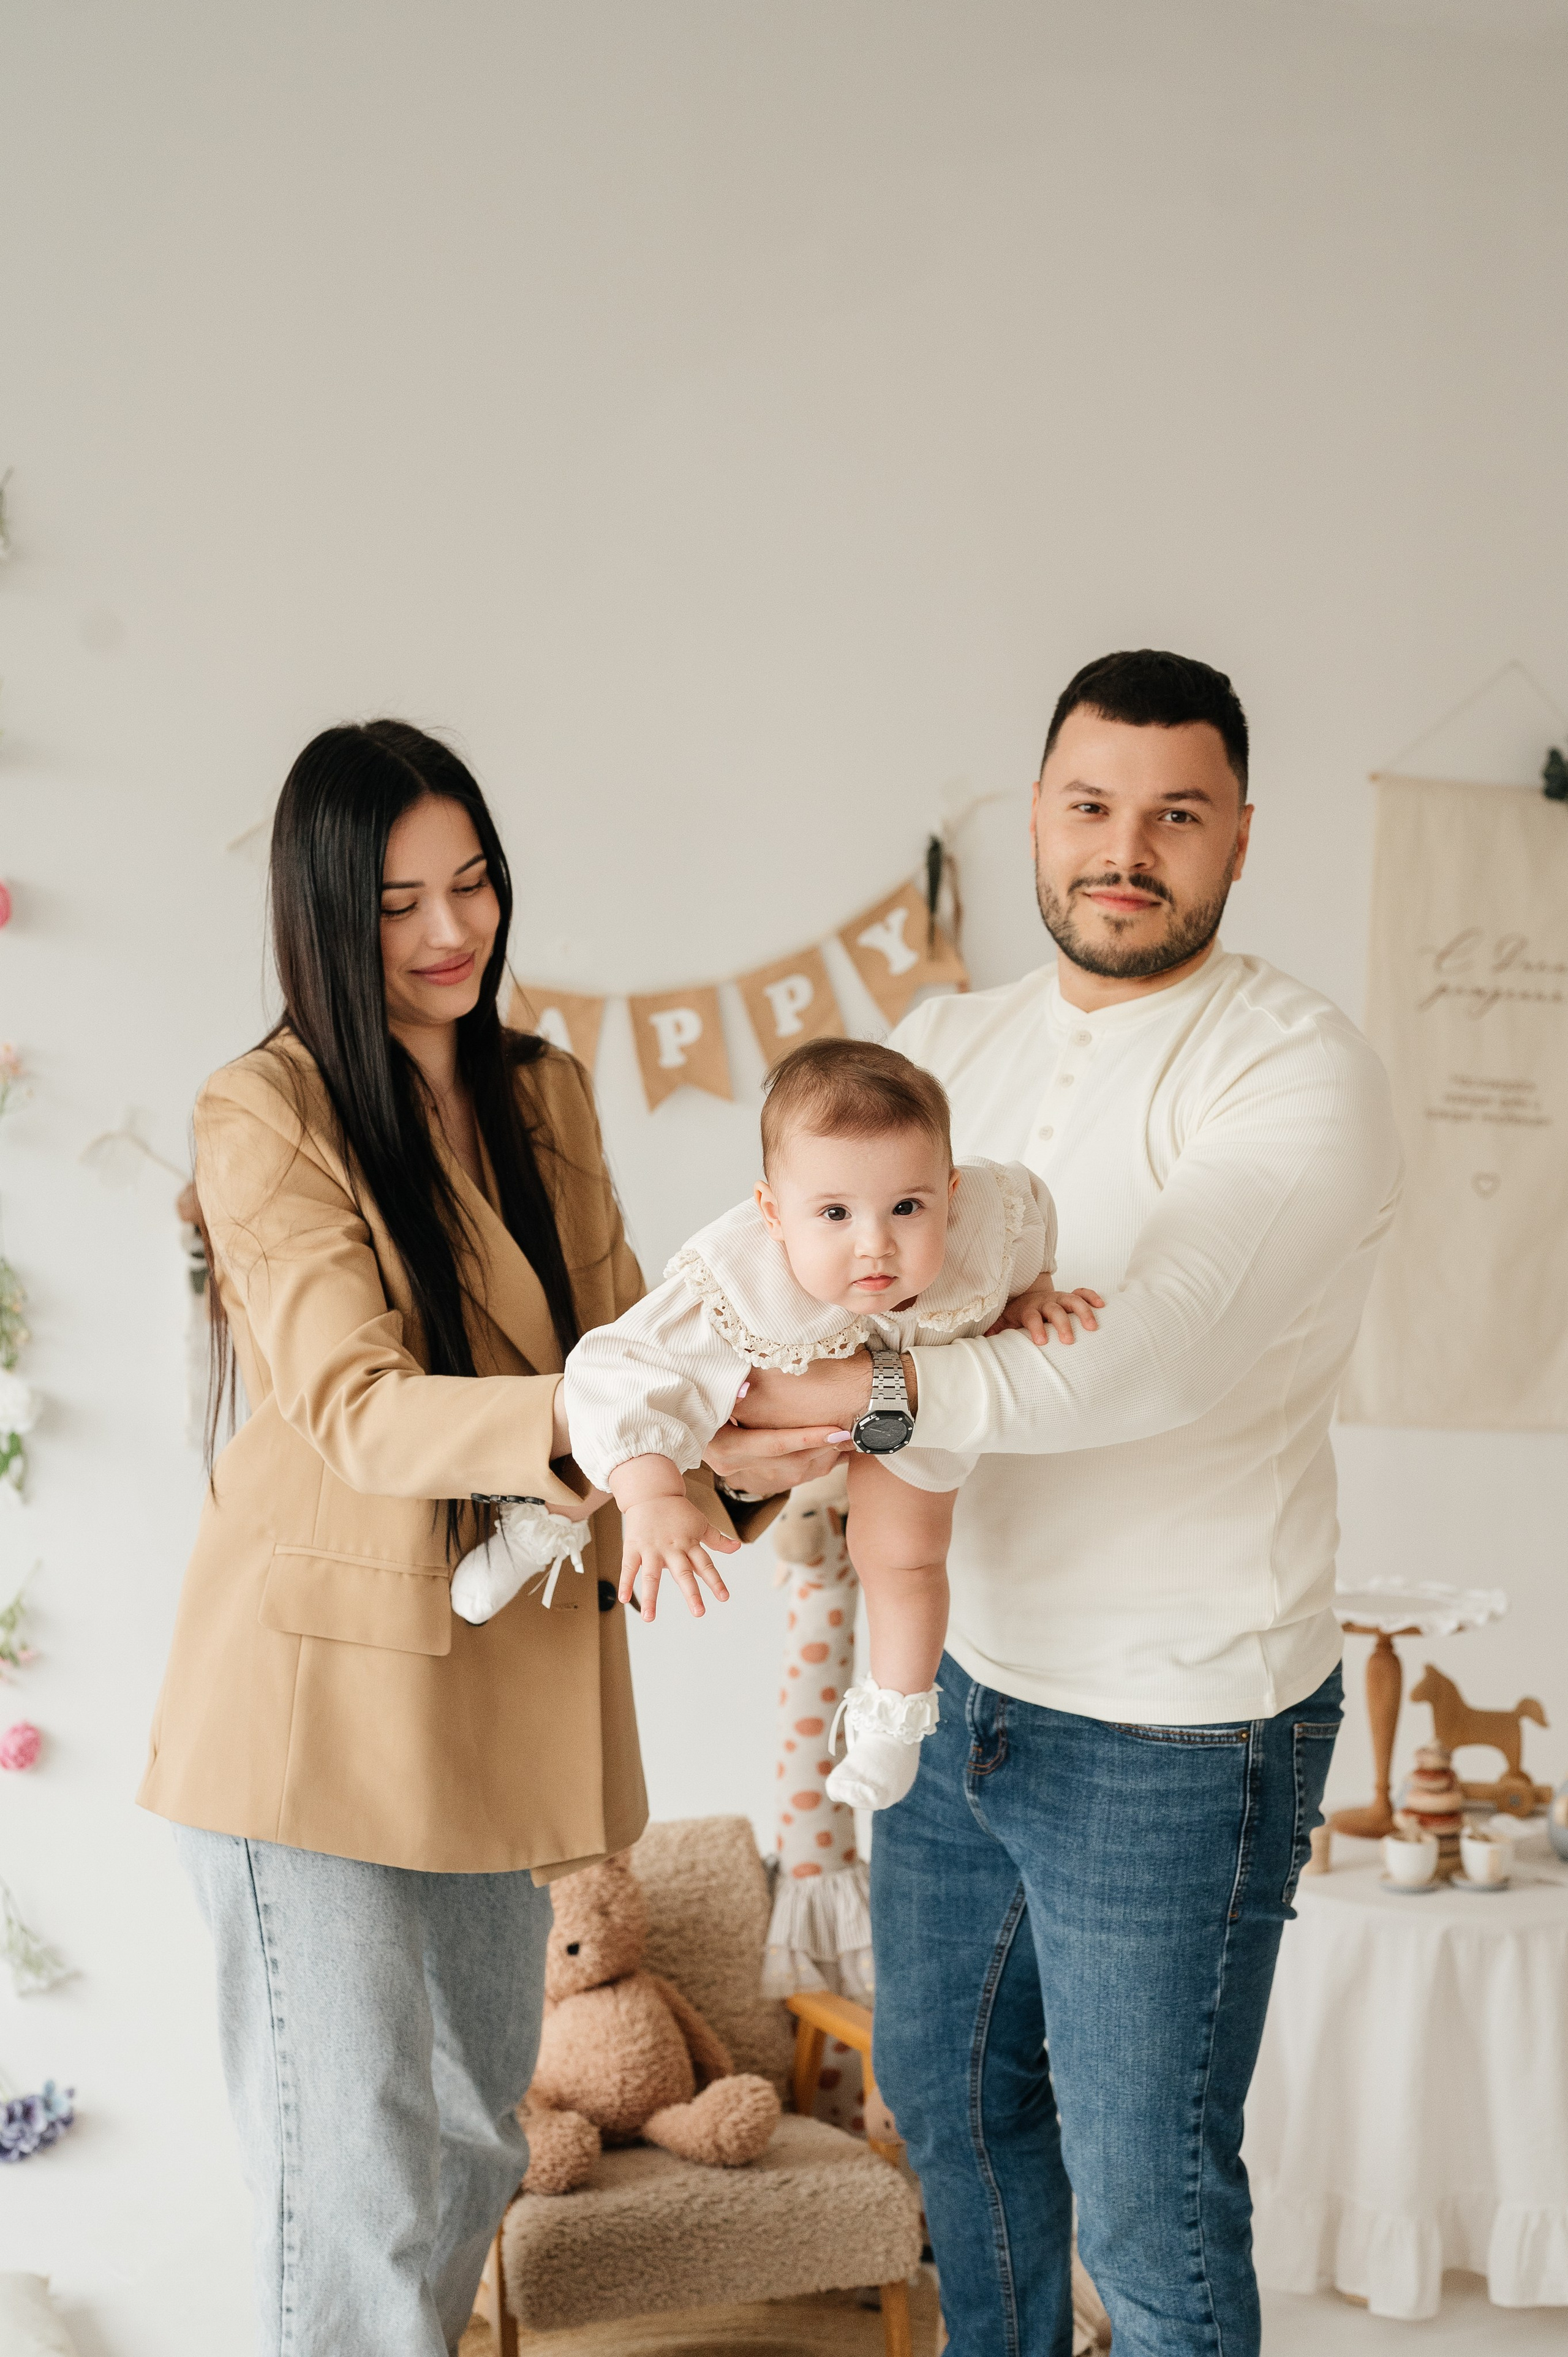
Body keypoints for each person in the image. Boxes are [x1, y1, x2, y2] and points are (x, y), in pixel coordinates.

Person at [730, 650, 1403, 2357]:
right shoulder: (947, 1044)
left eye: (1177, 815)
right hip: (957, 1679)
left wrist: (813, 1397)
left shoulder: (1297, 1068)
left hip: (1178, 1720)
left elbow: (1140, 1363)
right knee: (951, 2116)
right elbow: (815, 1272)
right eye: (1093, 807)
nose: (1128, 848)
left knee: (1148, 2184)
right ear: (1038, 817)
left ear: (1242, 836)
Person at [138, 722, 830, 2357]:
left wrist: (769, 1447)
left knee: (460, 2168)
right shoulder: (265, 1109)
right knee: (365, 2199)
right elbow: (359, 1405)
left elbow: (634, 1351)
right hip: (315, 1725)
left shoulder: (543, 1092)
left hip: (491, 1705)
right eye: (398, 903)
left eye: (473, 886)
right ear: (322, 911)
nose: (452, 933)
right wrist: (608, 1422)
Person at [535, 1037, 1098, 1811]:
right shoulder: (742, 1278)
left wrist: (1034, 1287)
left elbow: (1030, 1206)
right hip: (776, 1375)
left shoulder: (987, 1216)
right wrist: (651, 1496)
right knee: (671, 1402)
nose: (875, 1244)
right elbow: (613, 1369)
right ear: (772, 1211)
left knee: (901, 1554)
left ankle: (894, 1721)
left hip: (910, 1392)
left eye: (908, 1206)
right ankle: (536, 1530)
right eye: (833, 1212)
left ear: (950, 1190)